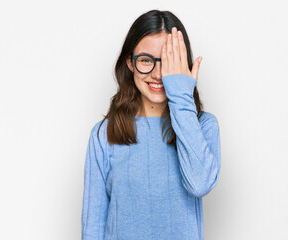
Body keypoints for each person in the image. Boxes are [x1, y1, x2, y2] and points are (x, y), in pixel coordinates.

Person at [81, 9, 221, 240]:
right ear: (130, 63)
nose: (158, 74)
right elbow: (92, 227)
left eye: (167, 62)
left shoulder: (204, 126)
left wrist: (181, 93)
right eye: (146, 60)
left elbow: (199, 185)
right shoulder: (104, 133)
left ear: (181, 65)